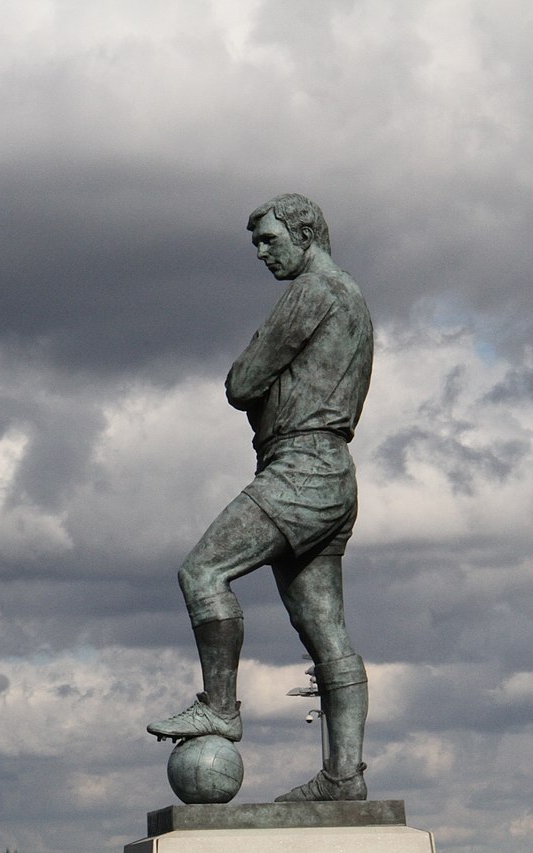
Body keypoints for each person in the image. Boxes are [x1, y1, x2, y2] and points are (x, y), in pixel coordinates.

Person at [146, 193, 374, 802]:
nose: (262, 253)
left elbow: (241, 383)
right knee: (326, 631)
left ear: (306, 235)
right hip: (335, 474)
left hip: (299, 469)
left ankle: (220, 707)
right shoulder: (354, 297)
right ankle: (344, 778)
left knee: (202, 572)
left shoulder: (313, 291)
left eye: (270, 240)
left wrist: (256, 375)